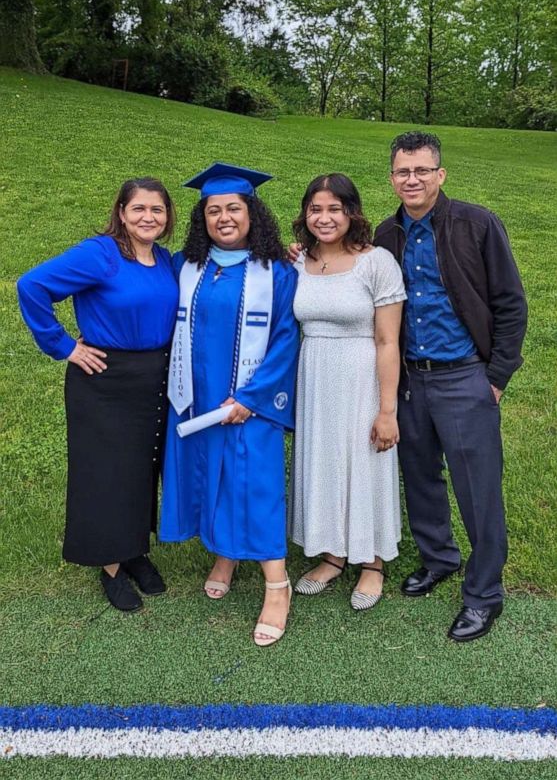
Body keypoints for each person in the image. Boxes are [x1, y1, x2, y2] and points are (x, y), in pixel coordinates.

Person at [373, 131, 527, 641]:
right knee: (420, 479)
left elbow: (510, 303)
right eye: (402, 171)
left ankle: (484, 595)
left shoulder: (477, 224)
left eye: (421, 170)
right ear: (392, 177)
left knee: (478, 492)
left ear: (440, 174)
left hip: (465, 377)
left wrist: (496, 378)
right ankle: (439, 557)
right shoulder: (385, 235)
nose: (411, 179)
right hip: (409, 381)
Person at [17, 178, 179, 612]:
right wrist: (64, 345)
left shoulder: (164, 260)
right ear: (122, 212)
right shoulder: (101, 254)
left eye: (157, 210)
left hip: (153, 379)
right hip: (105, 380)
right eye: (139, 209)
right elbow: (32, 286)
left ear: (168, 218)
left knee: (140, 469)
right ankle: (109, 565)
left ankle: (133, 550)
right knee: (106, 472)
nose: (149, 217)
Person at [160, 163, 299, 646]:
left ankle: (276, 586)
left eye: (233, 209)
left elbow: (285, 339)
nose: (223, 217)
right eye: (213, 210)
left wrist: (251, 397)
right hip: (195, 397)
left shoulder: (279, 272)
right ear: (203, 219)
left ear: (251, 213)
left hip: (247, 400)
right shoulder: (186, 265)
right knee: (211, 473)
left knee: (255, 483)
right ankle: (225, 553)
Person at [288, 173, 406, 610]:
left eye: (334, 208)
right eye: (316, 209)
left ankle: (371, 562)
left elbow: (388, 340)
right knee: (324, 463)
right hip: (315, 378)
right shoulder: (298, 262)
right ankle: (332, 555)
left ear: (351, 213)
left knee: (363, 463)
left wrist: (387, 410)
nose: (324, 217)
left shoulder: (376, 263)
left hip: (363, 378)